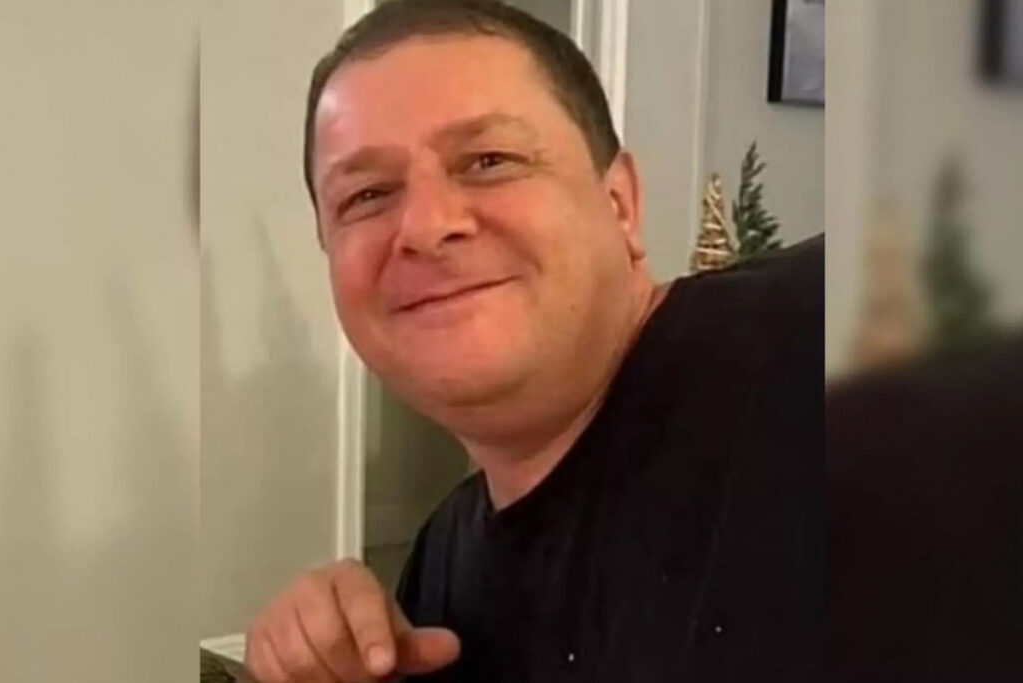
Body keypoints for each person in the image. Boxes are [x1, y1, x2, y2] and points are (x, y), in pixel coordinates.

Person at [244, 1, 823, 681]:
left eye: (489, 160)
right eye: (366, 195)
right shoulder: (440, 574)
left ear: (620, 203)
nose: (425, 226)